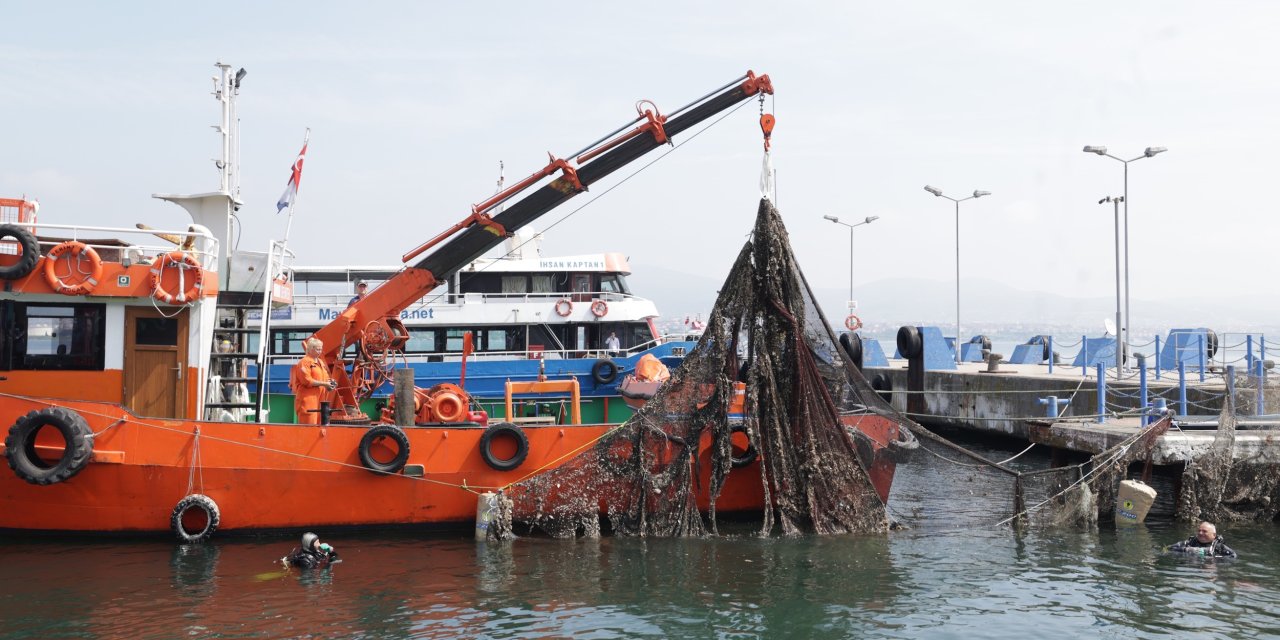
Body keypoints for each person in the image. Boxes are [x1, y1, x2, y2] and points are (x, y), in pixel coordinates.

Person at [290, 337, 336, 425]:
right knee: (308, 425)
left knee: (320, 425)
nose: (320, 351)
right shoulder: (304, 362)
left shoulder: (321, 362)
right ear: (311, 349)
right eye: (317, 349)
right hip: (308, 400)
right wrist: (325, 384)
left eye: (321, 349)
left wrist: (330, 383)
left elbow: (325, 377)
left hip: (320, 400)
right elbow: (307, 381)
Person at [1168, 521, 1237, 558]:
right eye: (1199, 530)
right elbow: (1167, 549)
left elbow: (1233, 556)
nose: (1200, 533)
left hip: (1209, 569)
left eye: (1204, 531)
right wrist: (1185, 550)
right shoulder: (1189, 543)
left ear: (1214, 535)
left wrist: (1216, 558)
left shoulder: (1220, 548)